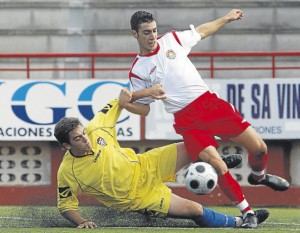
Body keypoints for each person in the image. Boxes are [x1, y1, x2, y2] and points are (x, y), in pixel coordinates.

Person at [128, 9, 289, 228]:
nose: (152, 36)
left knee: (259, 148)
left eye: (154, 30)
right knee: (218, 165)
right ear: (134, 34)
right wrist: (142, 95)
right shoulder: (138, 70)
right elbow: (142, 110)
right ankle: (247, 213)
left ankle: (259, 176)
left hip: (210, 105)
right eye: (146, 32)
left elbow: (202, 32)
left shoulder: (173, 40)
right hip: (186, 119)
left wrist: (227, 18)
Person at [55, 88, 269, 229]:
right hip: (139, 198)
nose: (86, 138)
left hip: (146, 164)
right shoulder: (68, 172)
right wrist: (82, 222)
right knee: (194, 210)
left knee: (194, 143)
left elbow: (121, 99)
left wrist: (145, 92)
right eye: (78, 138)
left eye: (83, 133)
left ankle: (213, 163)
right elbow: (65, 205)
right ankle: (239, 222)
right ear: (66, 145)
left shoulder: (97, 127)